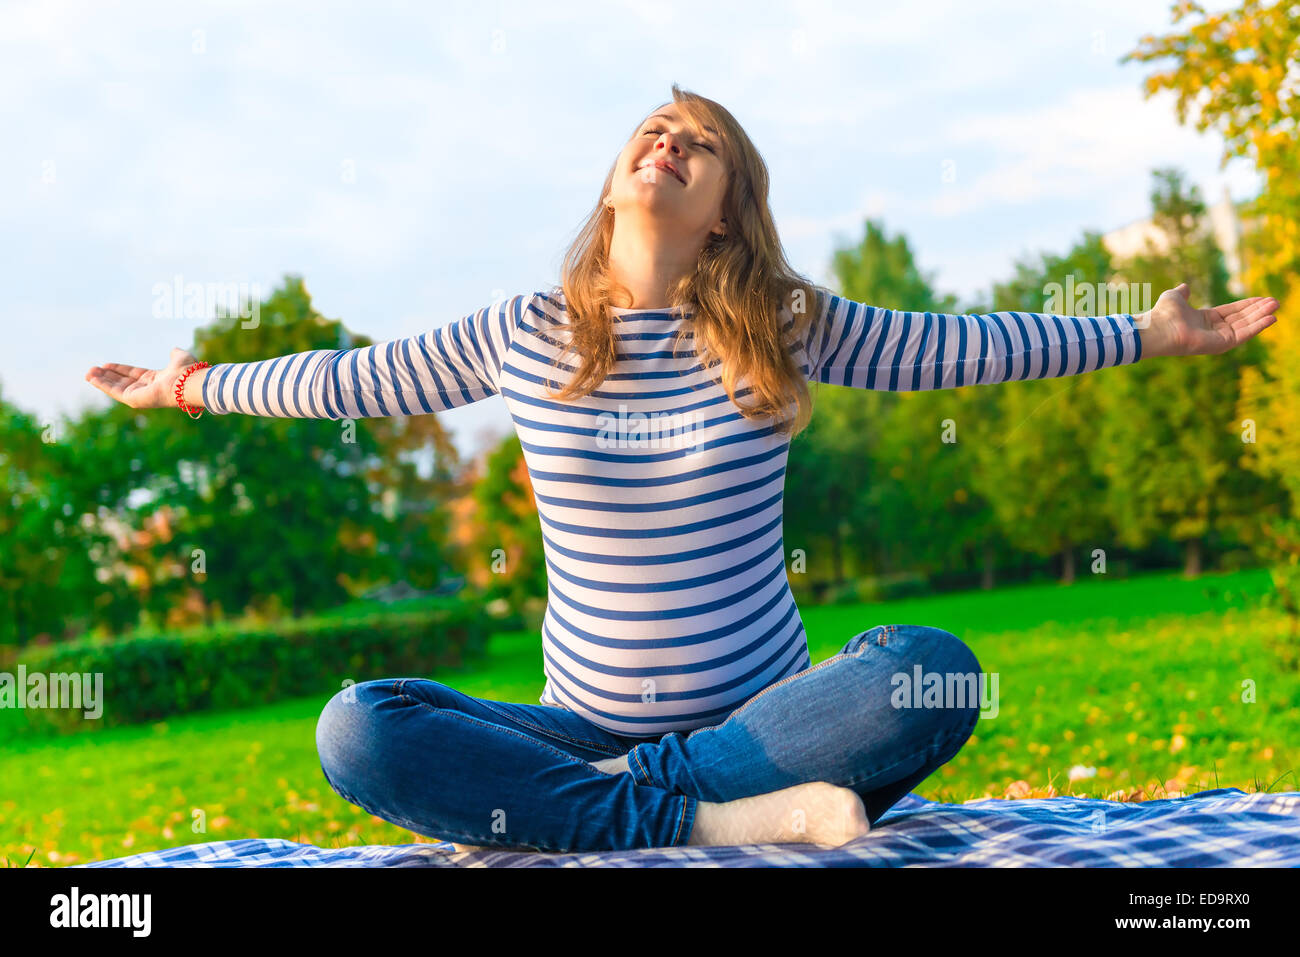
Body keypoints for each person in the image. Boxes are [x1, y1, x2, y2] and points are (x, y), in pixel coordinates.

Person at [86, 84, 1279, 854]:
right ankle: (706, 821)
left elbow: (959, 344)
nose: (667, 142)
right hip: (580, 730)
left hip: (769, 724)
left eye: (699, 143)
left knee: (933, 671)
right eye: (651, 133)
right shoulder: (523, 329)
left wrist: (1146, 331)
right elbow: (354, 380)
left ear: (723, 210)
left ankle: (636, 812)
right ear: (617, 181)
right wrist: (191, 386)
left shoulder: (781, 318)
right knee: (359, 729)